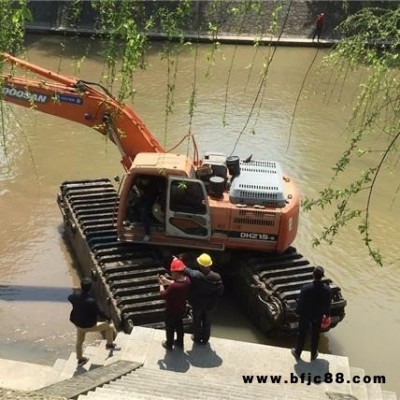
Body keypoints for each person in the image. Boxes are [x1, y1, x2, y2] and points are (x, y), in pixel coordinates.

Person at [68, 277, 120, 367]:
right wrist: (108, 318)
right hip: (89, 325)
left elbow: (70, 297)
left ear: (81, 287)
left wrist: (76, 291)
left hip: (78, 324)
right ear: (90, 288)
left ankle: (80, 359)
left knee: (79, 342)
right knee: (109, 327)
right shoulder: (91, 301)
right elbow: (100, 312)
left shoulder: (74, 297)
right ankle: (109, 344)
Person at [291, 266, 332, 362]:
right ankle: (313, 354)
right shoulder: (327, 290)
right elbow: (328, 304)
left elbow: (301, 302)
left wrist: (297, 312)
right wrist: (327, 314)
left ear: (313, 275)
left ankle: (298, 352)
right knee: (315, 334)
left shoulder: (306, 288)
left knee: (302, 333)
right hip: (318, 316)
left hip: (305, 315)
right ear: (322, 276)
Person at [185, 253, 224, 345]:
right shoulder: (217, 277)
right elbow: (220, 292)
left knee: (197, 321)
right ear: (210, 264)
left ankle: (197, 338)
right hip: (210, 304)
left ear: (200, 264)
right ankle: (205, 340)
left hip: (198, 303)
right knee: (207, 321)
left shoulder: (196, 275)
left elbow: (186, 270)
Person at [158, 257, 191, 350]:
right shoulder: (187, 280)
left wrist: (161, 284)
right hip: (181, 308)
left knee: (170, 327)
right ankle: (180, 343)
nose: (171, 273)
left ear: (176, 272)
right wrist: (167, 281)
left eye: (172, 272)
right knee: (179, 325)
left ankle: (169, 344)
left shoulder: (174, 287)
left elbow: (164, 295)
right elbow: (176, 284)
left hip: (171, 310)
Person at [133, 176, 162, 241]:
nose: (145, 182)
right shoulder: (140, 184)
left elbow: (158, 194)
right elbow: (140, 191)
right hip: (144, 198)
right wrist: (139, 192)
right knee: (134, 206)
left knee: (144, 213)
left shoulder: (153, 186)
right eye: (143, 181)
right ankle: (138, 221)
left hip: (152, 200)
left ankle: (147, 234)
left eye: (146, 181)